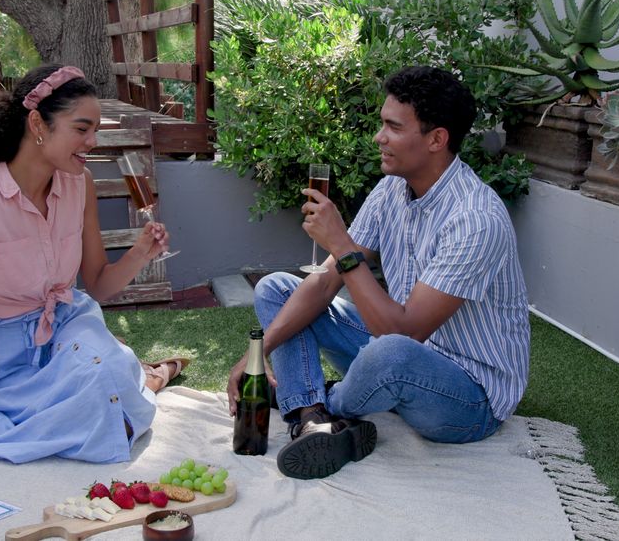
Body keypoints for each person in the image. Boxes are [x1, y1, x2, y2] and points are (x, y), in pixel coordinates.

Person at [227, 66, 530, 480]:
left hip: (470, 396)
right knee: (276, 288)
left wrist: (343, 246)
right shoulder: (392, 188)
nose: (378, 136)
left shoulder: (475, 218)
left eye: (392, 126)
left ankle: (320, 402)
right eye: (381, 123)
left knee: (390, 353)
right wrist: (256, 356)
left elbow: (403, 336)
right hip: (402, 349)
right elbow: (326, 281)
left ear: (436, 139)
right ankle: (312, 418)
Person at [0, 64, 187, 467]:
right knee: (93, 405)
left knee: (105, 378)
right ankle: (149, 376)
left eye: (95, 130)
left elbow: (97, 286)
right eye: (81, 129)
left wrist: (140, 253)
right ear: (38, 123)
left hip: (67, 321)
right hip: (3, 351)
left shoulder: (79, 184)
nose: (93, 142)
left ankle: (136, 372)